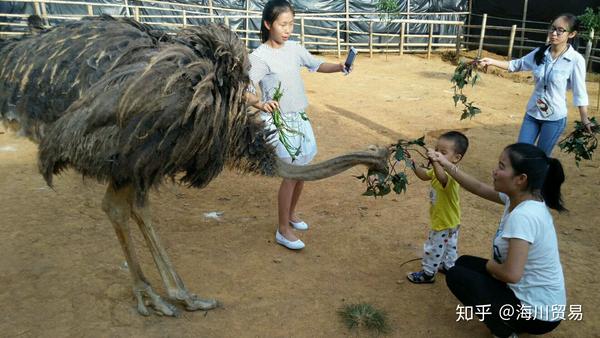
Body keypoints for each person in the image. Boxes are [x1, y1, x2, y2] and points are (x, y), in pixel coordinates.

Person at [430, 143, 566, 337]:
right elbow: (477, 187)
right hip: (539, 301)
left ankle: (506, 331)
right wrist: (444, 163)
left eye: (502, 167)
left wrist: (490, 266)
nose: (494, 171)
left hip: (539, 315)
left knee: (456, 277)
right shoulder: (521, 198)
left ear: (521, 179)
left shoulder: (524, 216)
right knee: (462, 264)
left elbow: (511, 274)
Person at [245, 0, 348, 250]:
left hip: (299, 118)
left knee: (303, 172)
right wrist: (259, 104)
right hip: (280, 122)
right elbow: (243, 90)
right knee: (291, 175)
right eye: (283, 24)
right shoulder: (258, 57)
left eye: (291, 24)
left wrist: (339, 66)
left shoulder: (294, 48)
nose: (288, 29)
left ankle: (291, 214)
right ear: (268, 24)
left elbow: (315, 64)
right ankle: (283, 229)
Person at [479, 13, 592, 156]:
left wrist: (584, 119)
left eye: (560, 30)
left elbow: (580, 92)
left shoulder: (575, 60)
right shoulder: (540, 52)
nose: (554, 33)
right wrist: (491, 61)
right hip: (532, 112)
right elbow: (517, 64)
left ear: (572, 34)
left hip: (554, 118)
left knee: (540, 158)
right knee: (519, 154)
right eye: (552, 29)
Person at [407, 131, 469, 283]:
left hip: (443, 222)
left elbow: (442, 178)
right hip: (451, 220)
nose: (437, 154)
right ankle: (449, 266)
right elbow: (423, 175)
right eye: (436, 150)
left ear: (456, 158)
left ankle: (428, 273)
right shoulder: (436, 171)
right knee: (449, 246)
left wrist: (434, 160)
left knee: (433, 247)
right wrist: (412, 163)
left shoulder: (452, 175)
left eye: (443, 153)